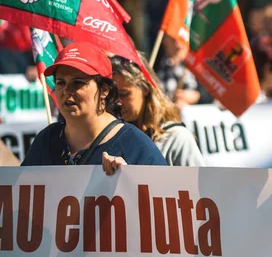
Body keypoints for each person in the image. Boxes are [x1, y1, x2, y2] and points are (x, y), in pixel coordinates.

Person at [21, 42, 166, 173]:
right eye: (60, 82)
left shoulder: (135, 145)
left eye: (78, 82)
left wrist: (130, 180)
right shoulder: (46, 141)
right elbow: (16, 198)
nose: (66, 90)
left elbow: (166, 198)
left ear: (104, 90)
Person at [111, 55, 206, 166]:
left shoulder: (177, 139)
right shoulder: (111, 140)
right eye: (111, 95)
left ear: (145, 88)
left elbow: (197, 183)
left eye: (124, 94)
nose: (117, 102)